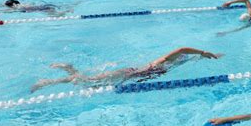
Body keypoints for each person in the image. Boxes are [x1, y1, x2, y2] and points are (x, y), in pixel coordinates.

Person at [31, 47, 223, 92]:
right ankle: (55, 77)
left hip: (133, 77)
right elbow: (182, 49)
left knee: (90, 84)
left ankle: (67, 71)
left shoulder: (173, 64)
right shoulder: (162, 62)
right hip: (128, 73)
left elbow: (187, 56)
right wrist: (204, 51)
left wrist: (208, 55)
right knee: (88, 83)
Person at [0, 0, 72, 17]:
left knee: (58, 16)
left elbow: (4, 11)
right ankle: (68, 8)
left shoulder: (17, 8)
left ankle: (67, 11)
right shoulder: (21, 4)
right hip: (46, 6)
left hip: (45, 9)